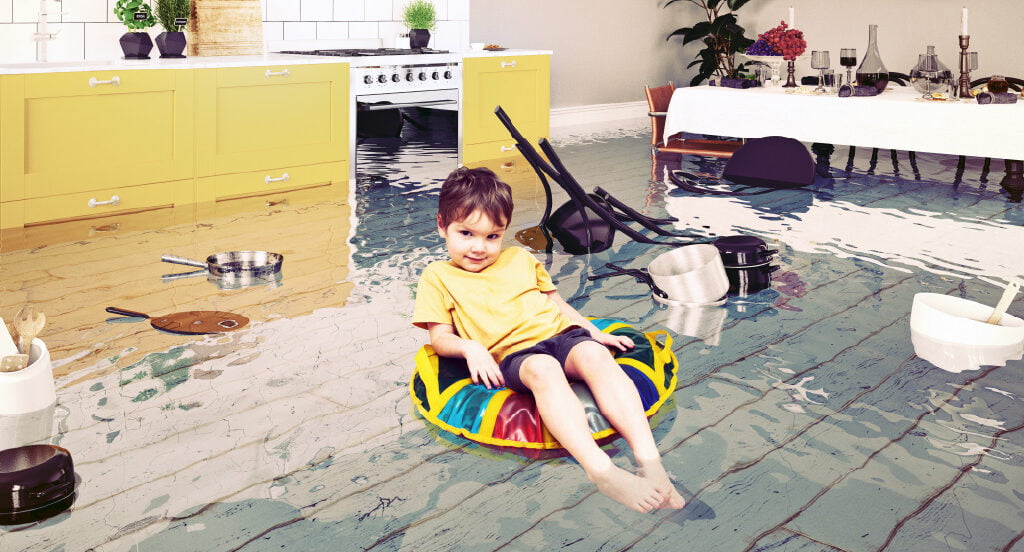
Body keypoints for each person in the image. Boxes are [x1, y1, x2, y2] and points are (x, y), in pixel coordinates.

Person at [412, 166, 685, 512]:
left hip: (560, 335)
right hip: (518, 355)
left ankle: (650, 462)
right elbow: (439, 338)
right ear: (441, 225)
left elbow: (556, 304)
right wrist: (471, 347)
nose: (479, 247)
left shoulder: (519, 259)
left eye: (492, 236)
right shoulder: (438, 276)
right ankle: (600, 470)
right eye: (466, 233)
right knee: (543, 368)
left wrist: (595, 333)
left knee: (594, 356)